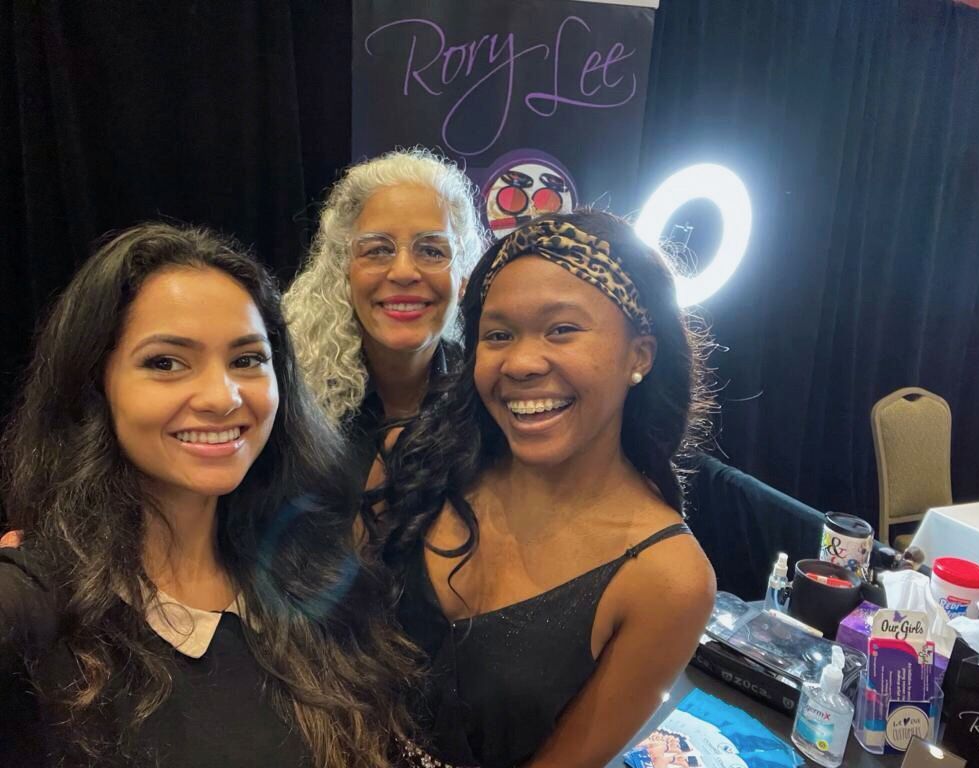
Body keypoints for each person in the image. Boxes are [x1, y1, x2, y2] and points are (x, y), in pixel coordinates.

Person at [0, 223, 416, 767]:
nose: (222, 397)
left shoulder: (316, 583)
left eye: (247, 359)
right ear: (93, 383)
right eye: (166, 363)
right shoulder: (32, 601)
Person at [377, 211, 718, 768]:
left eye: (561, 329)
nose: (521, 362)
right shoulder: (415, 463)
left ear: (641, 355)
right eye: (498, 335)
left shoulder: (668, 580)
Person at [283, 148, 487, 486]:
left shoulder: (489, 398)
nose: (404, 272)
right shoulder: (290, 401)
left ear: (463, 278)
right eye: (377, 250)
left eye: (432, 250)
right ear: (344, 270)